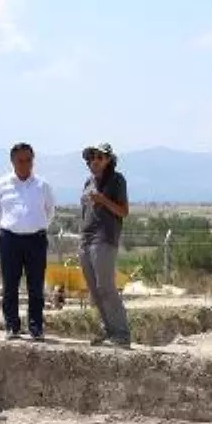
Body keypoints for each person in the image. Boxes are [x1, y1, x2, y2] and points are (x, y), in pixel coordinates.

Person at [0, 142, 56, 341]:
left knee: (36, 285)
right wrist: (11, 225)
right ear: (12, 161)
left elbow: (50, 211)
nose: (25, 164)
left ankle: (36, 327)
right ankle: (12, 326)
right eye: (21, 160)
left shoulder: (42, 185)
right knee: (10, 284)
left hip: (36, 239)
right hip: (10, 239)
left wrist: (35, 225)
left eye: (29, 160)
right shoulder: (1, 185)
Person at [79, 142, 131, 348]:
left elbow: (123, 211)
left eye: (100, 157)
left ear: (109, 159)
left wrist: (103, 200)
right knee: (94, 289)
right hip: (86, 238)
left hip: (104, 238)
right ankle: (108, 330)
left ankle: (121, 333)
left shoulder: (117, 180)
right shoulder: (87, 182)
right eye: (91, 157)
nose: (95, 161)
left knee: (106, 287)